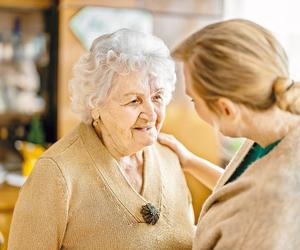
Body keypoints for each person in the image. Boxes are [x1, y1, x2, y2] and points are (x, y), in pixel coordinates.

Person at [8, 29, 194, 250]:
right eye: (134, 100)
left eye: (157, 97)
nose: (152, 114)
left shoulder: (170, 158)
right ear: (95, 104)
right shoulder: (56, 173)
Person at [158, 19, 300, 249]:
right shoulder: (271, 129)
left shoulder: (274, 202)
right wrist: (190, 162)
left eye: (193, 99)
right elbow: (240, 192)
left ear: (226, 109)